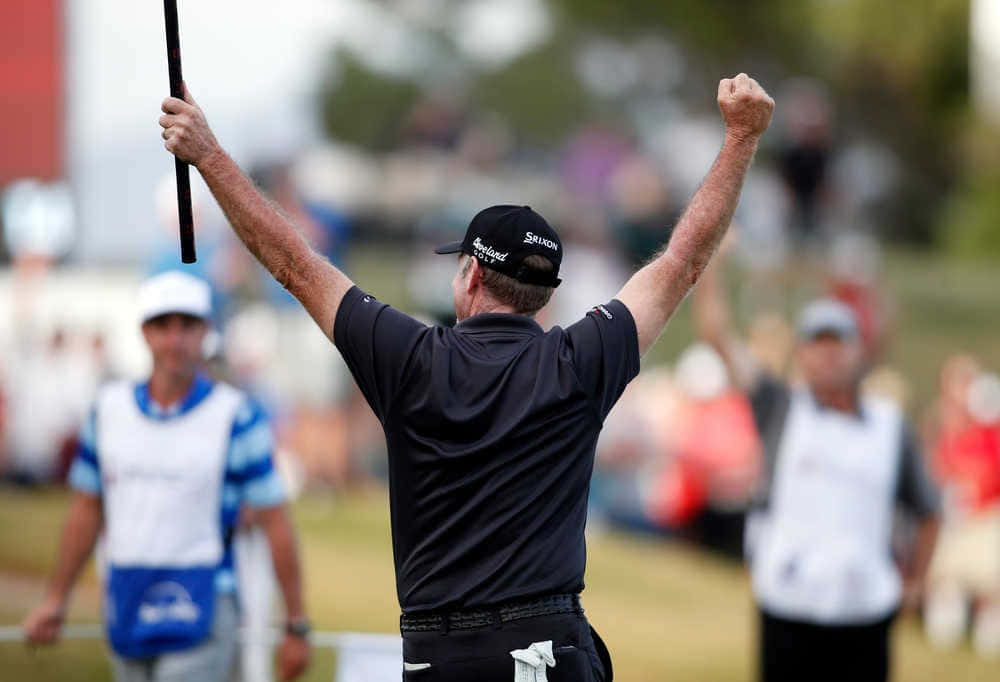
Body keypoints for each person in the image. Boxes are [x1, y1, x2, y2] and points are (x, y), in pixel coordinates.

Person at [157, 73, 774, 681]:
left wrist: (207, 154)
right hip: (547, 646)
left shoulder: (408, 358)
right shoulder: (581, 362)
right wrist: (741, 137)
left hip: (438, 652)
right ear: (543, 294)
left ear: (472, 277)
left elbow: (293, 262)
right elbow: (683, 260)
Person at [22, 271, 311, 682]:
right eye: (162, 325)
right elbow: (86, 511)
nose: (175, 340)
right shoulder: (107, 411)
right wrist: (56, 599)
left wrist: (296, 622)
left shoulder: (237, 417)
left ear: (205, 331)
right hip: (127, 596)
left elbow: (275, 519)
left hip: (206, 599)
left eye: (187, 325)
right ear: (144, 332)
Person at [693, 256, 941, 682]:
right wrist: (710, 265)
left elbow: (928, 510)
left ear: (858, 351)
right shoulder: (780, 407)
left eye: (837, 343)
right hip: (788, 607)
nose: (827, 355)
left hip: (865, 611)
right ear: (802, 354)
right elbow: (718, 337)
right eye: (817, 343)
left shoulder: (889, 425)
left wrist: (916, 582)